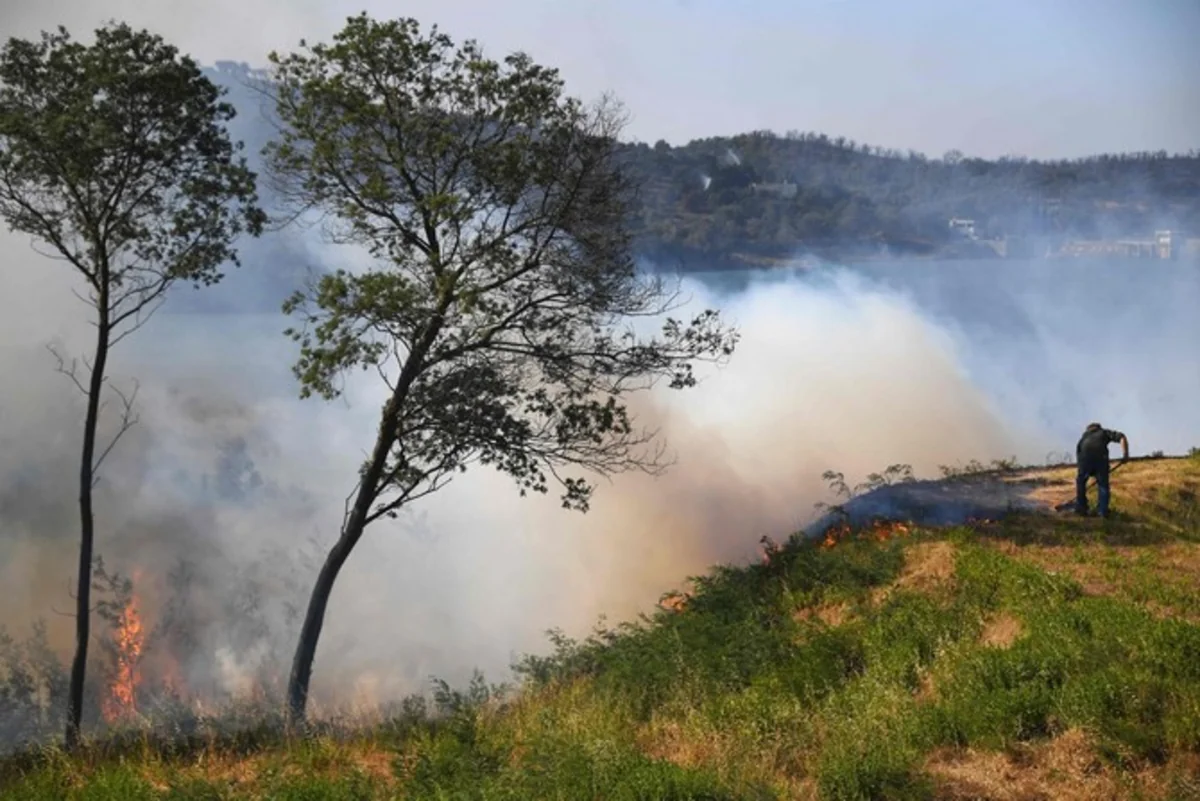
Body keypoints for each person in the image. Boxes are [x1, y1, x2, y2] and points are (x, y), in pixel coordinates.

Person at [1075, 423, 1129, 518]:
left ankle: (1081, 507)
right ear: (1098, 427)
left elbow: (1078, 455)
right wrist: (1125, 454)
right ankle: (1102, 511)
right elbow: (1122, 437)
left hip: (1084, 460)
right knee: (1103, 484)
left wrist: (1083, 472)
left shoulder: (1082, 439)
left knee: (1081, 482)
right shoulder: (1103, 432)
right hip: (1100, 460)